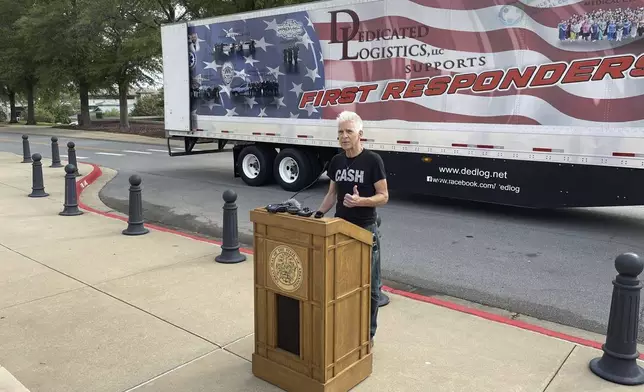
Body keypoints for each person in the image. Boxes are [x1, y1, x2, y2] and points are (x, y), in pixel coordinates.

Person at [315, 110, 389, 347]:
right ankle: (346, 325)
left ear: (360, 134)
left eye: (349, 131)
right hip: (340, 228)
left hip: (365, 230)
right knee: (342, 283)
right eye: (340, 132)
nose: (344, 136)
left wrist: (362, 201)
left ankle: (368, 334)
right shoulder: (336, 161)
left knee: (371, 286)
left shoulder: (373, 161)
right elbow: (331, 194)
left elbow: (384, 196)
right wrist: (317, 215)